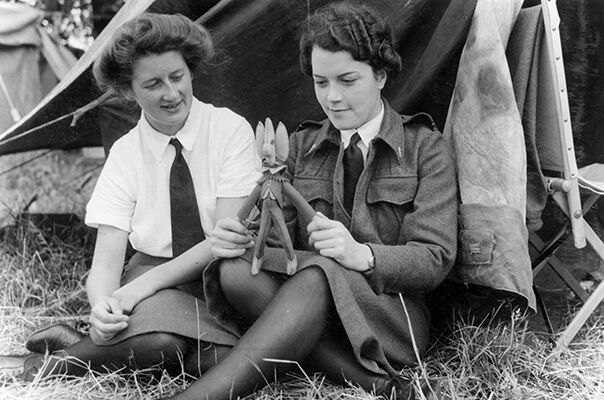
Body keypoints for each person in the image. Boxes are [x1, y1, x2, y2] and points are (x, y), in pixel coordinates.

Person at [166, 3, 458, 400]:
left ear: (381, 76)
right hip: (307, 307)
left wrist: (363, 256)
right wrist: (243, 238)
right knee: (235, 269)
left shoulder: (427, 148)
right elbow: (274, 246)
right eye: (321, 83)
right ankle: (367, 382)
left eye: (348, 80)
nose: (332, 97)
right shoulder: (301, 145)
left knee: (320, 273)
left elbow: (435, 258)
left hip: (390, 316)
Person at [22, 13, 260, 381]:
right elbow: (105, 262)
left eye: (177, 77)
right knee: (162, 344)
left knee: (208, 364)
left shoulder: (230, 130)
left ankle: (68, 354)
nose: (171, 93)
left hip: (218, 277)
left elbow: (222, 241)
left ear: (190, 71)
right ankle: (72, 356)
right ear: (129, 91)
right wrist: (102, 307)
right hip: (151, 274)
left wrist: (138, 289)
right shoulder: (125, 153)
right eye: (152, 84)